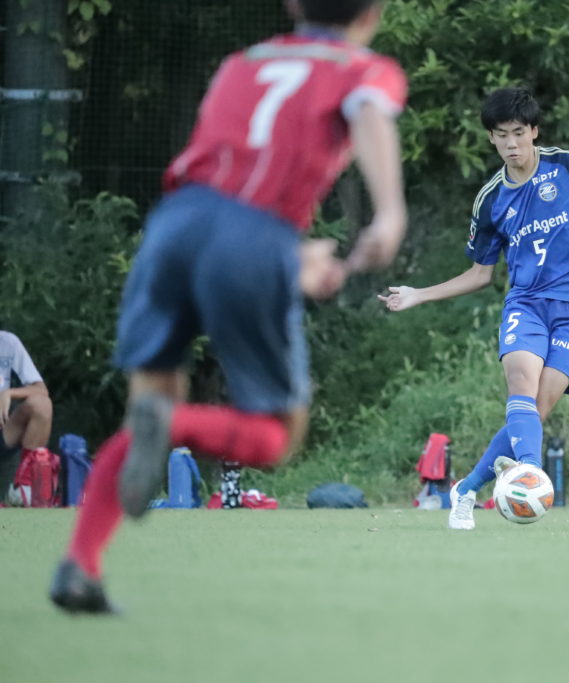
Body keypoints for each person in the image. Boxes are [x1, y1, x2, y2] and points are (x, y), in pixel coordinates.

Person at [49, 0, 408, 614]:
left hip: (174, 225)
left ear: (293, 4)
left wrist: (289, 259)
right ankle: (173, 426)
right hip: (254, 234)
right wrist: (390, 213)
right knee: (277, 435)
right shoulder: (362, 68)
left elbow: (229, 182)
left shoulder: (242, 63)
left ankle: (80, 567)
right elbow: (369, 112)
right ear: (373, 13)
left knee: (150, 398)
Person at [378, 87, 569, 530]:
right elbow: (479, 274)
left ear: (534, 131)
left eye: (519, 133)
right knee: (521, 381)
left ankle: (466, 489)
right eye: (501, 135)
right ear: (491, 138)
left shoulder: (566, 165)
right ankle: (530, 480)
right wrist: (419, 293)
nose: (511, 144)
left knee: (537, 410)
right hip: (527, 305)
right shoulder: (490, 200)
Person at [0, 330, 54, 491]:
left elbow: (41, 390)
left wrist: (8, 393)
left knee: (42, 405)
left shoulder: (8, 342)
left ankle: (25, 488)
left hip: (5, 431)